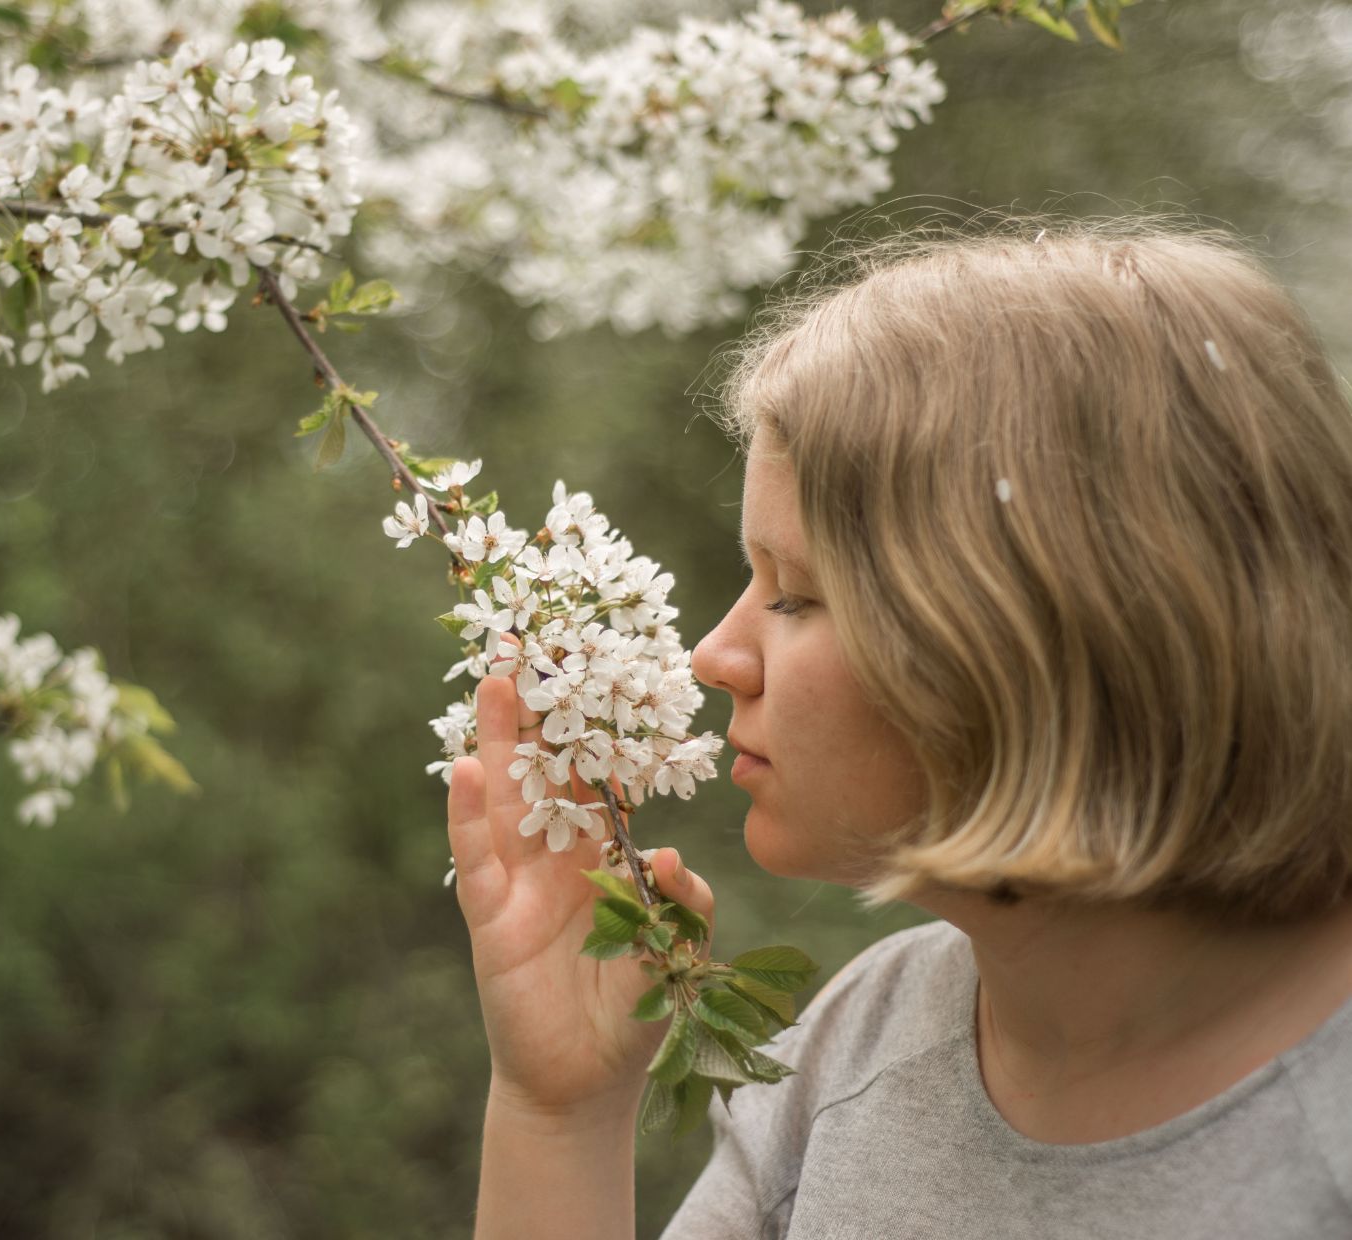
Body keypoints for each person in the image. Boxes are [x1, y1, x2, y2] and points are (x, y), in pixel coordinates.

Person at [443, 216, 1352, 1238]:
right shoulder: (855, 1043)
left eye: (791, 595)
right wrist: (558, 1114)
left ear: (1032, 638)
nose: (712, 655)